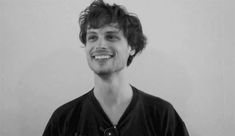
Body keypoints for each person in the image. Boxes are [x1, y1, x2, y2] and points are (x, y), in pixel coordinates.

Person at [42, 0, 189, 136]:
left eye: (111, 37)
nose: (99, 46)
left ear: (131, 47)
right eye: (92, 37)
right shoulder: (63, 119)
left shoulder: (162, 115)